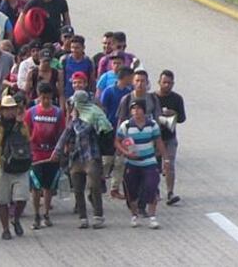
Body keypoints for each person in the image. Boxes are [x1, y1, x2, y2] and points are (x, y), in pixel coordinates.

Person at [50, 89, 110, 229]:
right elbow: (65, 134)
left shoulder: (93, 116)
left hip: (91, 156)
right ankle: (83, 217)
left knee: (94, 186)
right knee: (77, 189)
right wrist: (57, 151)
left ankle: (98, 216)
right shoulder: (73, 119)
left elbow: (82, 130)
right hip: (76, 157)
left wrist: (76, 119)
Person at [117, 98, 171, 229]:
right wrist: (126, 152)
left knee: (151, 187)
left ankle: (152, 217)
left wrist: (166, 159)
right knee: (131, 191)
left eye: (139, 108)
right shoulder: (126, 126)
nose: (136, 111)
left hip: (149, 162)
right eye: (133, 109)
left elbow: (159, 142)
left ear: (144, 111)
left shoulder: (152, 125)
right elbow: (117, 141)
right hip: (132, 163)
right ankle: (134, 215)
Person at [0, 94, 32, 240]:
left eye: (12, 109)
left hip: (20, 165)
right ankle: (5, 228)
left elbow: (27, 143)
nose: (10, 112)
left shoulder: (21, 126)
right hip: (1, 165)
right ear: (2, 111)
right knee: (1, 200)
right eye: (7, 109)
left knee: (22, 197)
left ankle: (16, 218)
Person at [24, 82, 64, 229]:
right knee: (36, 187)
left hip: (52, 154)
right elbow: (26, 133)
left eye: (48, 98)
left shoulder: (58, 113)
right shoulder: (31, 112)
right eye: (43, 98)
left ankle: (46, 213)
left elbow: (62, 134)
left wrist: (59, 152)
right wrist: (29, 152)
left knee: (49, 187)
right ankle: (36, 215)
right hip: (36, 154)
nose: (46, 101)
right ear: (39, 96)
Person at [155, 69, 186, 205]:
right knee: (153, 167)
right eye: (164, 82)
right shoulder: (152, 97)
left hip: (169, 137)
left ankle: (170, 192)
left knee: (169, 165)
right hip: (154, 138)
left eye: (169, 83)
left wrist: (173, 113)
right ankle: (154, 191)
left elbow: (182, 118)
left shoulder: (177, 98)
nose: (166, 85)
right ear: (159, 82)